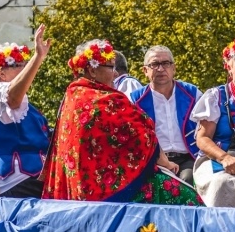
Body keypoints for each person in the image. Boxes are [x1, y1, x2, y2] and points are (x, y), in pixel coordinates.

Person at [43, 39, 202, 206]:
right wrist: (166, 163)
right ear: (92, 70)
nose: (116, 73)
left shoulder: (72, 95)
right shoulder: (109, 99)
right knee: (186, 197)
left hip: (77, 189)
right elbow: (143, 138)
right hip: (109, 188)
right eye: (111, 67)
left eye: (166, 64)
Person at [190, 38, 235, 207]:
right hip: (217, 160)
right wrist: (224, 158)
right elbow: (202, 139)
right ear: (229, 66)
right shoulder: (216, 96)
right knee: (222, 184)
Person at [0, 25, 51, 199]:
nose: (24, 68)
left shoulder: (24, 103)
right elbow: (12, 99)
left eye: (24, 64)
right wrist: (38, 57)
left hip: (27, 179)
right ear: (1, 73)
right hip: (18, 181)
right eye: (16, 65)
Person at [130, 46, 203, 184]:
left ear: (173, 68)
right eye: (154, 64)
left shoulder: (192, 94)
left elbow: (207, 129)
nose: (160, 69)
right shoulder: (135, 100)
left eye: (166, 63)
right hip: (152, 160)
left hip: (189, 158)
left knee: (187, 180)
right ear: (145, 70)